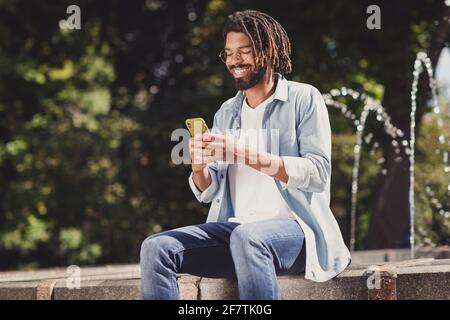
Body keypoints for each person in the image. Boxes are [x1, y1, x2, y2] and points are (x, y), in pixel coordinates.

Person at [140, 9, 351, 300]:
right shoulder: (226, 112)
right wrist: (199, 168)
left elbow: (318, 173)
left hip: (296, 232)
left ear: (267, 51)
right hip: (234, 233)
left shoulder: (304, 99)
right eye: (228, 53)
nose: (234, 60)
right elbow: (209, 189)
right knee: (156, 247)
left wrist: (244, 154)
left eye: (244, 51)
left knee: (248, 237)